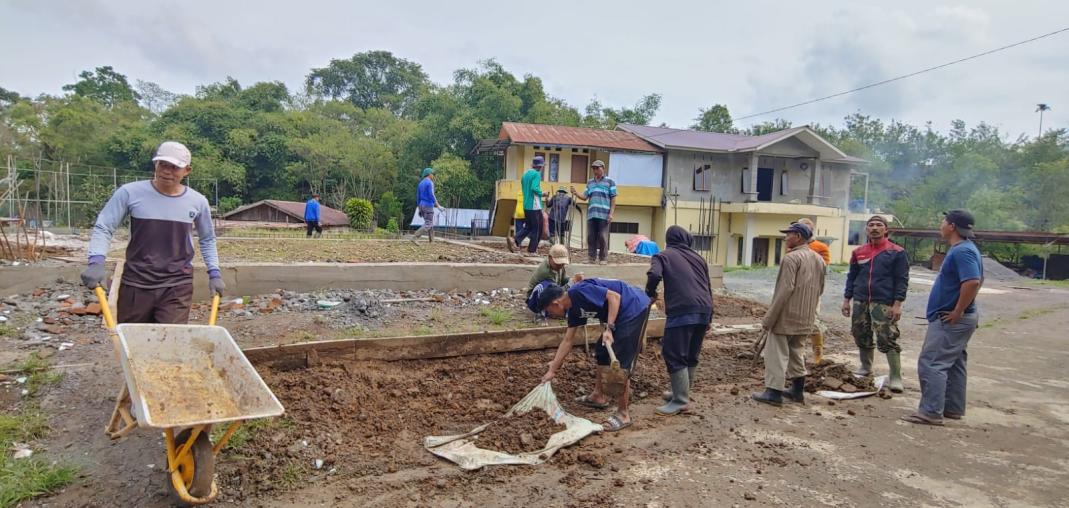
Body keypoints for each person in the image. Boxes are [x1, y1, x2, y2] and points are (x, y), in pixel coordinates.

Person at [81, 141, 225, 324]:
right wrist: (96, 261)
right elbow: (104, 227)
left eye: (174, 167)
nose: (167, 171)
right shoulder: (130, 193)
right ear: (155, 164)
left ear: (187, 170)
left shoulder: (197, 202)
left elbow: (207, 239)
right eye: (162, 164)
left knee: (169, 338)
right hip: (136, 283)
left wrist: (214, 273)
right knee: (134, 338)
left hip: (177, 285)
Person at [538, 278, 651, 432]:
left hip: (632, 307)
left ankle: (623, 414)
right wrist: (552, 370)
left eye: (549, 310)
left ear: (556, 303)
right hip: (619, 313)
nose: (550, 314)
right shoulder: (573, 310)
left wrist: (609, 329)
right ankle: (599, 396)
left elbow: (614, 297)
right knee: (602, 351)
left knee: (620, 360)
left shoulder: (578, 291)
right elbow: (567, 340)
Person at [903, 210, 983, 426]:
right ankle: (952, 408)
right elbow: (979, 279)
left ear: (952, 226)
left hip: (951, 319)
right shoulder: (967, 248)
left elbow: (973, 281)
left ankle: (931, 412)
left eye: (943, 222)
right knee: (954, 362)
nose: (941, 225)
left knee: (932, 362)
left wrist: (958, 310)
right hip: (961, 317)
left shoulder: (962, 251)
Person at [752, 222, 825, 407]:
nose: (785, 238)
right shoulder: (819, 259)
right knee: (796, 352)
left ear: (798, 237)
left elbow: (785, 289)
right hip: (806, 315)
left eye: (788, 234)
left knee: (776, 353)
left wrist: (769, 318)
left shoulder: (791, 258)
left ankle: (773, 392)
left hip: (786, 315)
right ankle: (797, 391)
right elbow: (821, 288)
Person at [646, 226, 713, 416]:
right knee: (691, 354)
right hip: (704, 309)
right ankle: (682, 392)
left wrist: (650, 292)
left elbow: (654, 274)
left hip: (682, 310)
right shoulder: (699, 258)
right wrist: (709, 317)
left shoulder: (662, 256)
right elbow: (708, 287)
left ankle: (681, 400)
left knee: (674, 353)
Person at [841, 215, 910, 392]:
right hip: (861, 300)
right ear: (866, 230)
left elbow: (902, 280)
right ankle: (866, 367)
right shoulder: (859, 252)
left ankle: (895, 376)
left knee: (887, 337)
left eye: (879, 225)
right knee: (860, 333)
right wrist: (847, 300)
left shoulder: (897, 252)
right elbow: (852, 277)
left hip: (884, 301)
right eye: (871, 225)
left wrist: (897, 304)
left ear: (886, 230)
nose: (874, 228)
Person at [796, 218, 829, 364]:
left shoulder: (820, 247)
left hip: (812, 289)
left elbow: (823, 268)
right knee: (796, 320)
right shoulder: (793, 246)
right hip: (796, 289)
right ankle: (799, 353)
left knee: (812, 320)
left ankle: (818, 352)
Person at [571, 160, 616, 265]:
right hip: (592, 214)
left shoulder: (610, 182)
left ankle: (603, 258)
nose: (595, 170)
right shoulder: (590, 182)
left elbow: (613, 199)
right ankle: (591, 257)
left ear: (603, 168)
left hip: (604, 214)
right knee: (591, 236)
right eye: (594, 168)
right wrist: (576, 193)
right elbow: (585, 197)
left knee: (602, 237)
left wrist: (611, 213)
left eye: (597, 168)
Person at [507, 156, 546, 254]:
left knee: (528, 226)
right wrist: (542, 193)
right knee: (537, 228)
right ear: (540, 167)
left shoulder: (525, 175)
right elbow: (534, 188)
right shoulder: (536, 174)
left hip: (526, 205)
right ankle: (532, 250)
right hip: (534, 206)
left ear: (532, 165)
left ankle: (515, 240)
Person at [411, 167, 445, 243]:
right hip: (428, 205)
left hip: (421, 205)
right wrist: (438, 205)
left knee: (430, 222)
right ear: (429, 174)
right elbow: (431, 195)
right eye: (432, 174)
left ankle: (431, 240)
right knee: (429, 223)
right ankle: (415, 237)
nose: (433, 175)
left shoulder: (420, 183)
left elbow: (418, 197)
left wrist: (419, 208)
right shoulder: (430, 183)